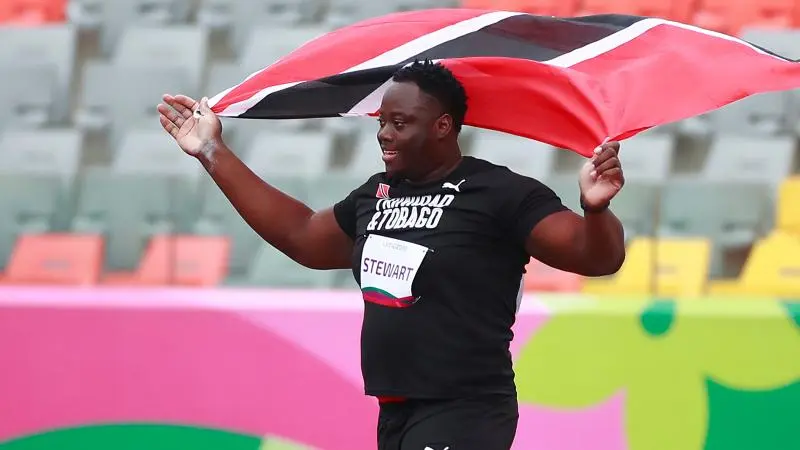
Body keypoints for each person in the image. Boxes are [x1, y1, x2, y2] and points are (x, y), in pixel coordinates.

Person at [157, 60, 627, 450]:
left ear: (443, 126)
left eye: (400, 124)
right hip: (396, 411)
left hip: (466, 410)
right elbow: (302, 236)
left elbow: (597, 258)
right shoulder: (376, 195)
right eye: (382, 121)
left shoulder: (499, 193)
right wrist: (212, 151)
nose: (384, 134)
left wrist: (595, 209)